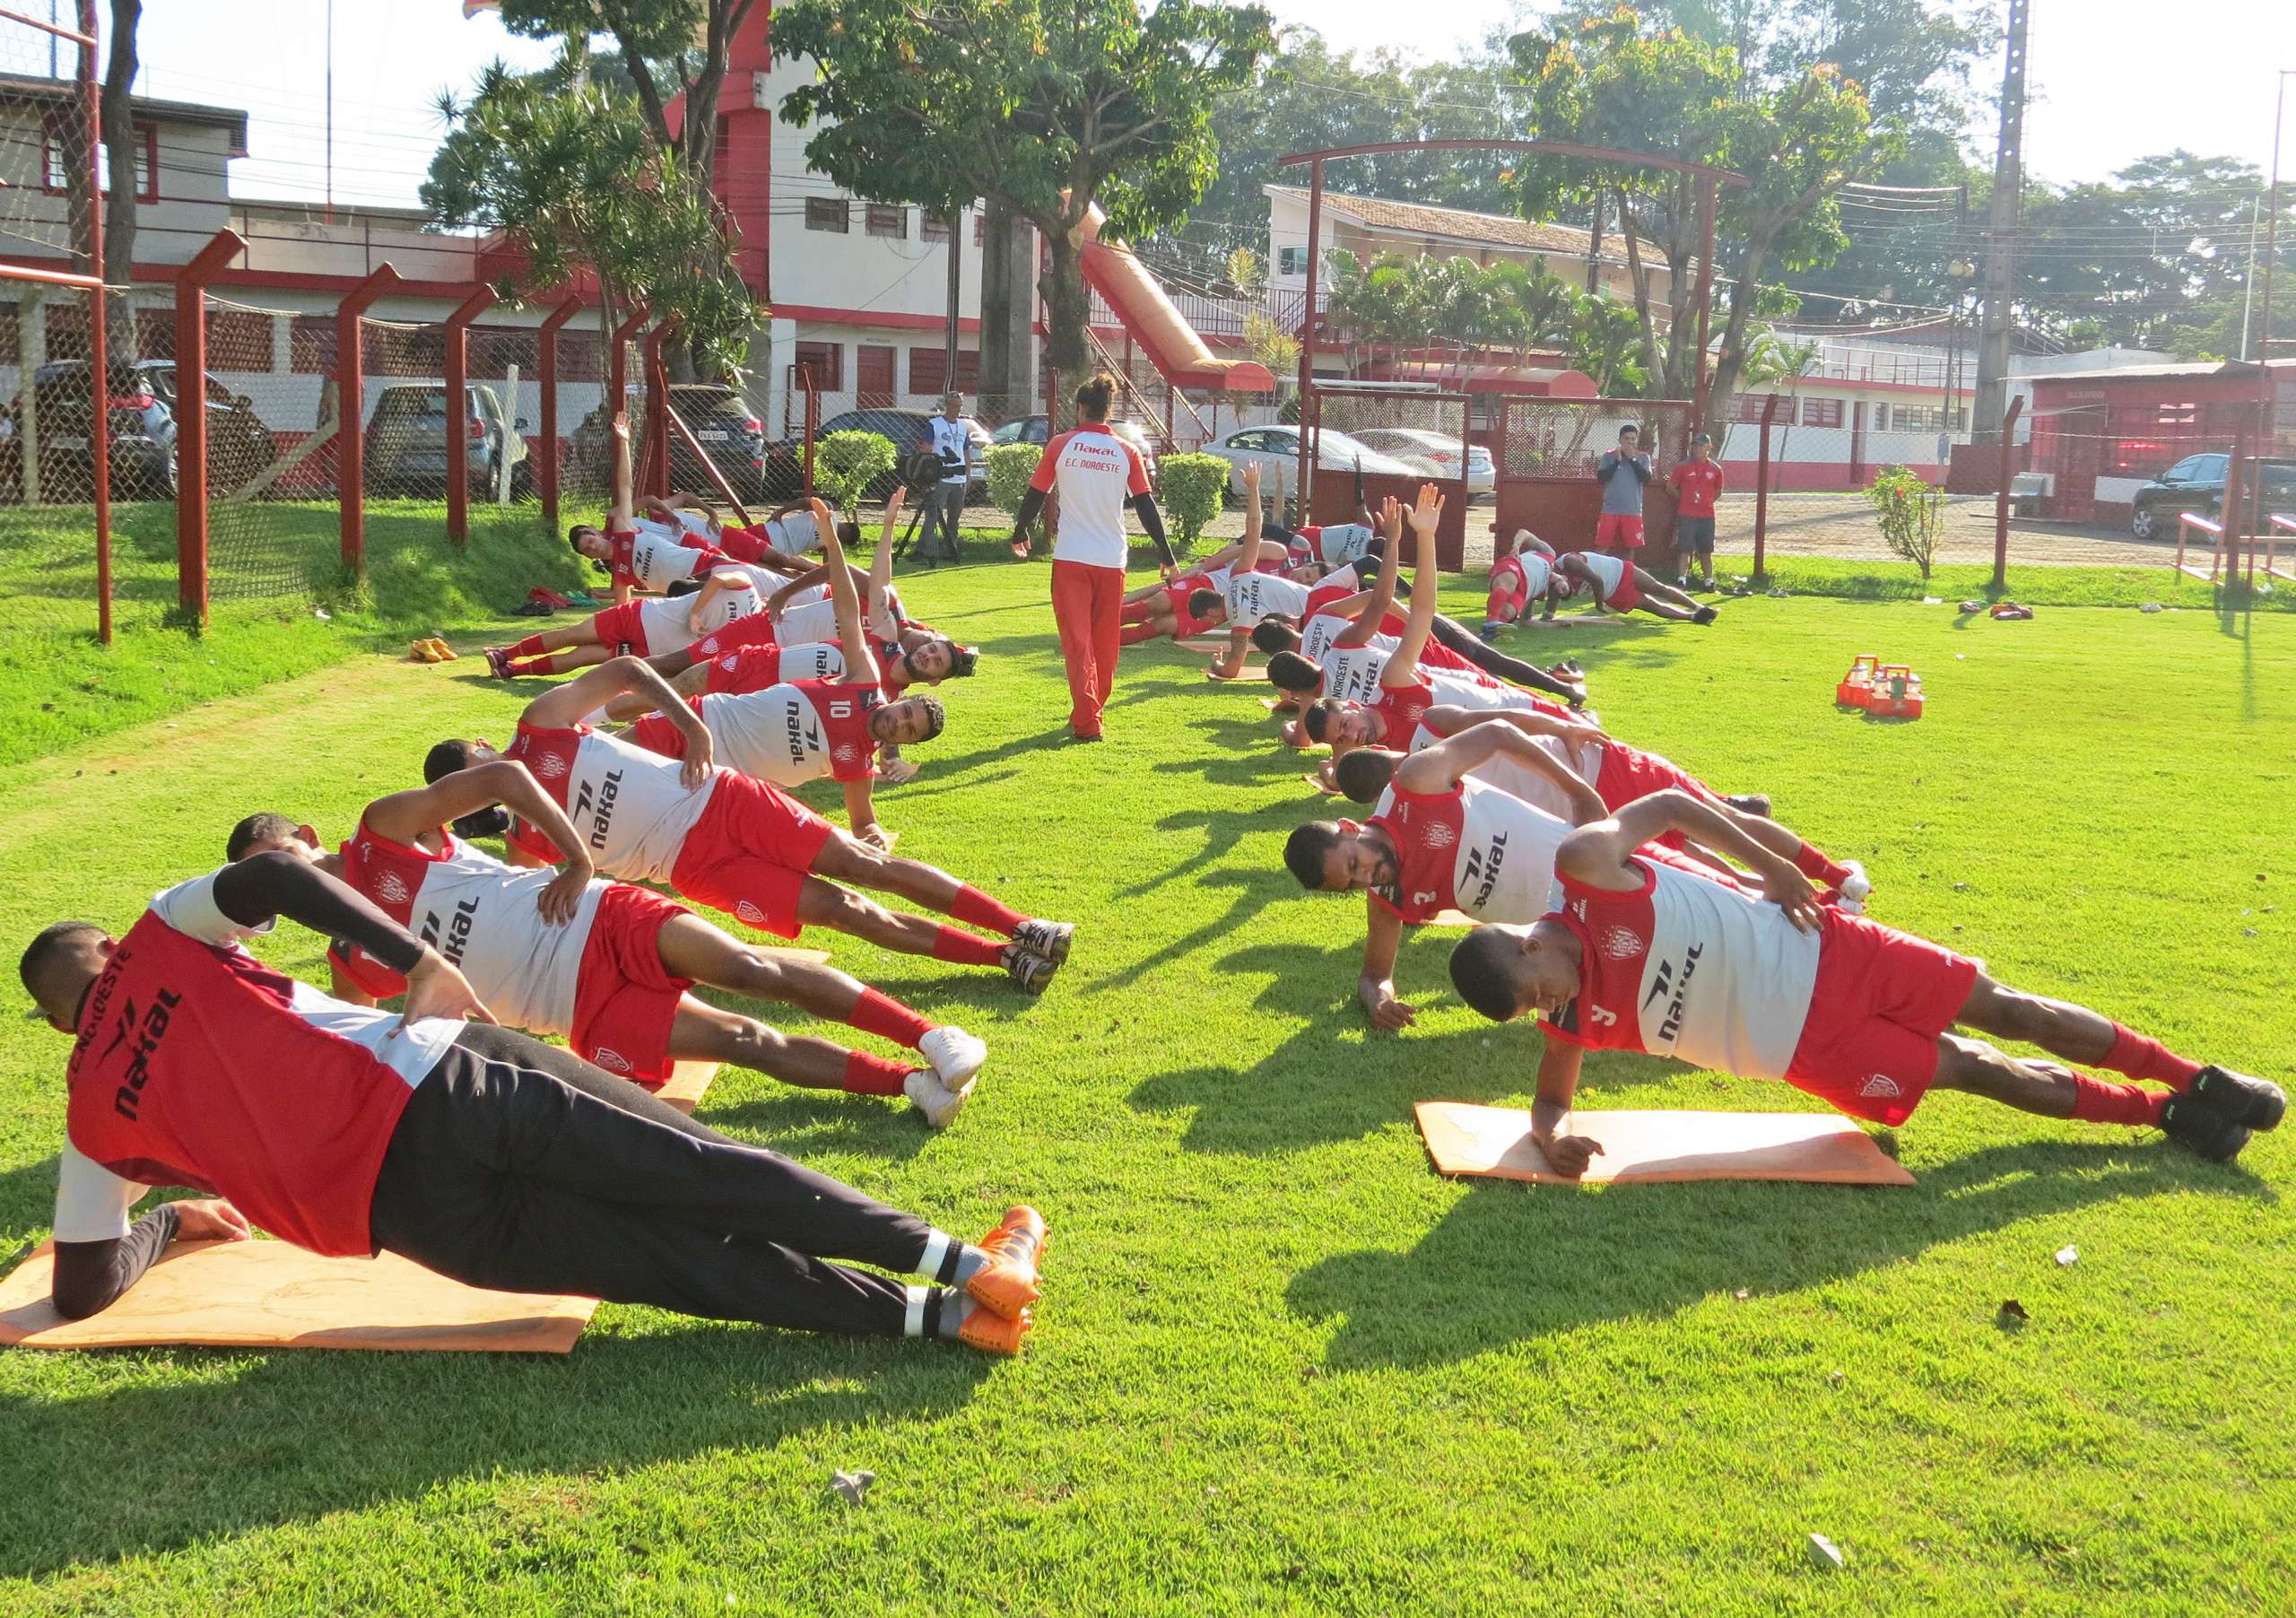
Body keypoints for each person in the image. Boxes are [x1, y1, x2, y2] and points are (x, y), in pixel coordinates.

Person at [17, 857, 1048, 1351]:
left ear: (62, 1027)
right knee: (696, 1166)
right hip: (446, 1085)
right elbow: (271, 872)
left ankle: (944, 1320)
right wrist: (419, 959)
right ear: (107, 949)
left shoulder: (90, 1119)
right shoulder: (158, 932)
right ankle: (965, 1262)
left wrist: (168, 1219)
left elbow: (78, 1292)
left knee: (667, 1263)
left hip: (416, 1222)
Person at [1445, 791, 2285, 1170]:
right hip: (1808, 1046)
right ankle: (2164, 1114)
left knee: (2008, 1009)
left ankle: (2191, 1075)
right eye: (1537, 1013)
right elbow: (1550, 1101)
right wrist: (1551, 1137)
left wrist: (1773, 867)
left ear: (1526, 944)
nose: (1549, 1007)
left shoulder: (1583, 868)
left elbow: (1667, 806)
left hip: (1825, 948)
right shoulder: (1572, 1018)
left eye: (1537, 989)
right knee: (1977, 1070)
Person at [225, 761, 986, 1125]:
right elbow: (382, 1049)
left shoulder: (383, 829)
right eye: (263, 892)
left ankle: (931, 1035)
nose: (280, 889)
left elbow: (508, 778)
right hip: (575, 1008)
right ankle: (907, 1086)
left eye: (276, 866)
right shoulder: (349, 963)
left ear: (305, 841)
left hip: (596, 918)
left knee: (753, 969)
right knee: (747, 1039)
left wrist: (577, 857)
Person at [430, 650, 1075, 993]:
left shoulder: (539, 726)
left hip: (724, 800)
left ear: (483, 748)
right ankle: (1002, 957)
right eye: (473, 796)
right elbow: (517, 918)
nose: (491, 781)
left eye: (479, 767)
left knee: (864, 864)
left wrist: (691, 726)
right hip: (699, 868)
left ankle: (1023, 926)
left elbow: (626, 671)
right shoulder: (525, 842)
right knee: (847, 911)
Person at [622, 504, 944, 848]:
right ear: (903, 702)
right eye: (906, 714)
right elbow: (851, 611)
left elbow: (864, 824)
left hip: (714, 780)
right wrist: (833, 543)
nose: (899, 723)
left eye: (909, 730)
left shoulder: (858, 764)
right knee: (615, 744)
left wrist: (875, 835)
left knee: (632, 799)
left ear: (907, 741)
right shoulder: (865, 681)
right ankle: (588, 710)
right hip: (712, 712)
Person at [1283, 717, 1628, 1029]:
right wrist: (1380, 1000)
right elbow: (1373, 977)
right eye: (1352, 886)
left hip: (1609, 867)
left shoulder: (1415, 784)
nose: (1366, 879)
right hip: (1575, 944)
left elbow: (1498, 733)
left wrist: (1579, 792)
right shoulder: (1389, 897)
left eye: (1355, 864)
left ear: (1348, 827)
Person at [1009, 373, 1176, 742]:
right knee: (1104, 643)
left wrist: (1021, 531)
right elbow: (1146, 506)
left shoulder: (1061, 444)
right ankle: (1089, 712)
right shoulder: (1127, 450)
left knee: (1077, 642)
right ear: (1108, 410)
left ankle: (1087, 721)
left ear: (1081, 408)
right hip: (1112, 559)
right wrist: (1166, 553)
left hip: (1071, 558)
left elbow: (1037, 493)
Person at [485, 564, 764, 680]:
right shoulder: (747, 587)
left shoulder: (751, 638)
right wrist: (694, 614)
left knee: (583, 657)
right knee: (574, 634)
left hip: (656, 650)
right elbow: (716, 579)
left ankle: (514, 671)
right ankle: (505, 654)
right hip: (643, 616)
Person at [1542, 549, 1717, 626]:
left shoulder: (1570, 562)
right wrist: (1538, 619)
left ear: (1561, 576)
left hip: (1620, 569)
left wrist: (1598, 605)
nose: (1562, 590)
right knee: (1652, 606)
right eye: (1562, 593)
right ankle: (1693, 617)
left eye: (1563, 588)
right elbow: (1549, 614)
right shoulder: (1555, 587)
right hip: (1616, 591)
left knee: (1659, 588)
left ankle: (1699, 607)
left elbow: (1597, 581)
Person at [918, 394, 974, 565]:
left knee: (954, 517)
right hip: (941, 477)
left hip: (959, 478)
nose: (959, 410)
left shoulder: (964, 426)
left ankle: (950, 548)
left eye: (961, 406)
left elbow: (966, 451)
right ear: (947, 406)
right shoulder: (934, 424)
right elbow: (927, 448)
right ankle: (925, 549)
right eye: (956, 406)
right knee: (934, 515)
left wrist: (968, 472)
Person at [1668, 431, 1724, 590]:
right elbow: (1671, 487)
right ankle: (1681, 579)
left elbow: (1718, 491)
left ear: (1709, 447)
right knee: (1684, 548)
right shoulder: (1682, 467)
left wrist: (1706, 502)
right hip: (1687, 514)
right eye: (1695, 446)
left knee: (1706, 550)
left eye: (1701, 445)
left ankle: (1709, 581)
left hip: (1707, 515)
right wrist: (1685, 499)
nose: (1697, 449)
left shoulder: (1715, 468)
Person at [1483, 529, 1557, 637]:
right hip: (1517, 566)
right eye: (1566, 588)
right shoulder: (1548, 554)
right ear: (1564, 577)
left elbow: (1526, 621)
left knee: (1508, 612)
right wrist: (1516, 546)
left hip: (1524, 591)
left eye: (1561, 594)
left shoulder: (1540, 592)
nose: (1560, 590)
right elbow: (1524, 533)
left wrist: (1556, 625)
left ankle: (1492, 633)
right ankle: (1492, 621)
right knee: (1508, 584)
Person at [1593, 422, 1652, 557]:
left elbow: (1646, 479)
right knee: (1602, 546)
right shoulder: (1609, 456)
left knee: (1630, 549)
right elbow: (1601, 478)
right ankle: (1597, 576)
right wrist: (1617, 461)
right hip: (1610, 509)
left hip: (1632, 510)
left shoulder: (1643, 457)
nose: (1630, 442)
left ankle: (1627, 576)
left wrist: (1632, 459)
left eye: (1633, 439)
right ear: (1620, 440)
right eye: (1626, 438)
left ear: (1636, 440)